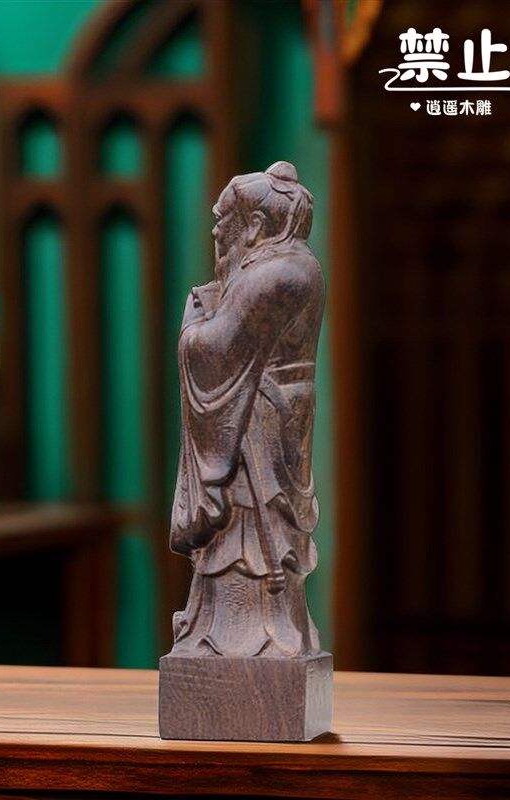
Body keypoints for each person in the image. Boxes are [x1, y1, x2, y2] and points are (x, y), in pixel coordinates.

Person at [169, 161, 325, 658]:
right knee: (237, 545)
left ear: (255, 225)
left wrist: (192, 322)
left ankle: (245, 637)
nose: (216, 234)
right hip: (267, 413)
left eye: (223, 223)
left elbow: (215, 350)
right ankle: (223, 629)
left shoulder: (275, 274)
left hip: (260, 422)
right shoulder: (293, 266)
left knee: (254, 538)